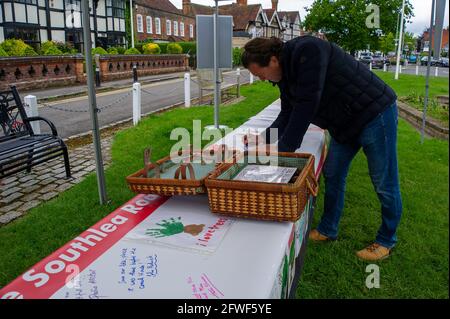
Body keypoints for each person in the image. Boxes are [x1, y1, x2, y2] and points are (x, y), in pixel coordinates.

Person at [241, 36, 402, 261]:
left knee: (384, 181)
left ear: (274, 60)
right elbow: (287, 111)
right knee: (333, 174)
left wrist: (284, 150)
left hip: (375, 114)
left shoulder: (309, 50)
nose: (262, 80)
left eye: (260, 74)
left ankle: (386, 240)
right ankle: (328, 229)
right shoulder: (284, 76)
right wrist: (262, 138)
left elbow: (307, 103)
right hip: (345, 124)